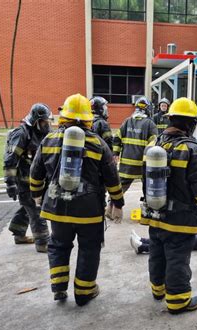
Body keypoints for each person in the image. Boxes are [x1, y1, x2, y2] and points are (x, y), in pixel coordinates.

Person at [30, 93, 124, 305]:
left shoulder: (49, 140)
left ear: (64, 116)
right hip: (88, 210)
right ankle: (84, 292)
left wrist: (37, 196)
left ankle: (59, 287)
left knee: (58, 245)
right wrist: (117, 203)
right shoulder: (97, 143)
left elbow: (35, 173)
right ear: (88, 117)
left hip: (57, 207)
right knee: (89, 248)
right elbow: (112, 176)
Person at [140, 97, 197, 314]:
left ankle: (158, 289)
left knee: (157, 252)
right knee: (177, 257)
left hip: (155, 212)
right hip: (181, 218)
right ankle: (178, 300)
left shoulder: (154, 144)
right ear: (191, 123)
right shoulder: (191, 148)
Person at [3, 103, 51, 253]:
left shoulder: (42, 133)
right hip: (25, 183)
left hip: (37, 182)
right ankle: (43, 243)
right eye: (44, 121)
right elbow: (10, 160)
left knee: (27, 208)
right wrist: (10, 184)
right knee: (36, 211)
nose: (47, 124)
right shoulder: (21, 134)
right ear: (36, 121)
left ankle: (18, 233)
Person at [111, 96, 157, 198]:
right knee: (149, 188)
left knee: (120, 188)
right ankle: (149, 207)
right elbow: (153, 145)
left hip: (126, 164)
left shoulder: (127, 121)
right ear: (148, 109)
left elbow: (117, 138)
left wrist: (115, 154)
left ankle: (112, 207)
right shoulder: (150, 124)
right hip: (142, 164)